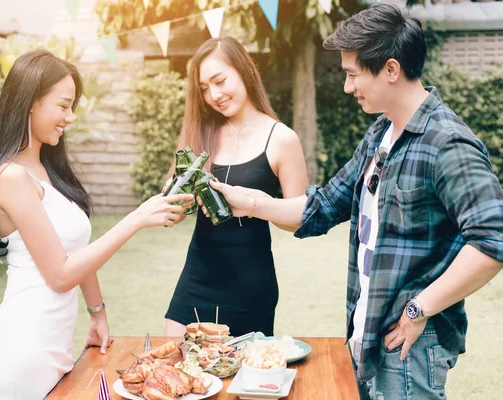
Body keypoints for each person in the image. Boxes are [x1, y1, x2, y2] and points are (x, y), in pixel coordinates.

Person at [208, 4, 503, 399]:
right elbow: (323, 206)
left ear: (392, 70)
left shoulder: (447, 143)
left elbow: (492, 240)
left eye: (352, 74)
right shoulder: (381, 133)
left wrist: (420, 308)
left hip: (411, 344)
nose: (347, 86)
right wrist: (253, 202)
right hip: (367, 333)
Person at [0, 50, 193, 399]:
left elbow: (76, 249)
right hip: (22, 347)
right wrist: (134, 220)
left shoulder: (48, 169)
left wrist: (97, 313)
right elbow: (60, 275)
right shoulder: (11, 178)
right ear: (30, 102)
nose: (70, 117)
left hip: (53, 344)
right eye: (63, 105)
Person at [163, 36, 308, 338]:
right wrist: (174, 201)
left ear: (244, 70)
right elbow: (175, 198)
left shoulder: (281, 139)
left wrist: (256, 204)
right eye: (204, 88)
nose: (213, 95)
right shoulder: (202, 131)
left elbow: (298, 218)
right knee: (178, 370)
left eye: (219, 81)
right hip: (197, 278)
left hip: (250, 286)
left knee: (241, 381)